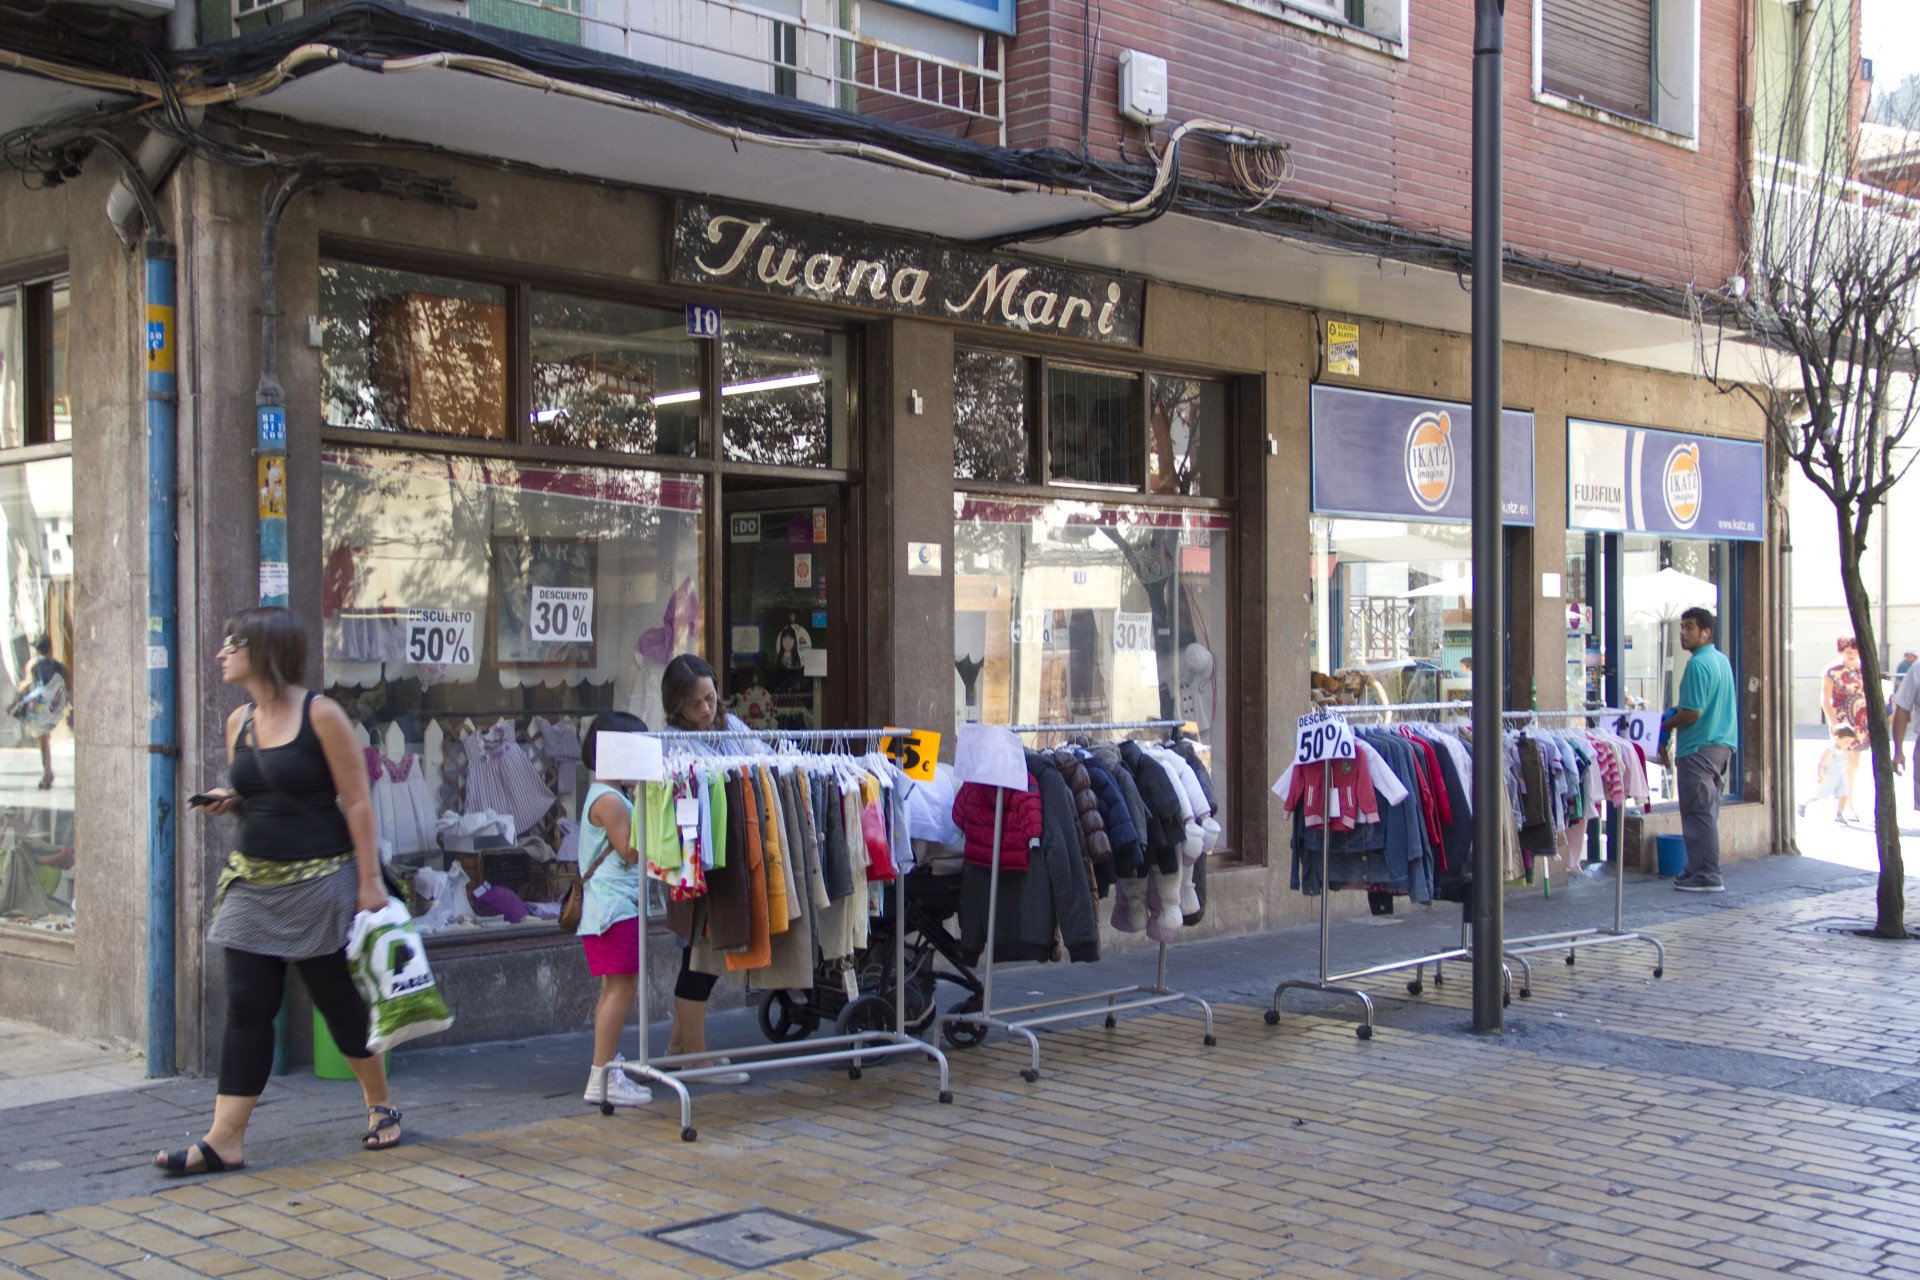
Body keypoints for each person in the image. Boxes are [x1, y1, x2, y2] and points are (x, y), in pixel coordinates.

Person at [157, 607, 399, 1175]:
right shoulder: (239, 720)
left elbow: (357, 800)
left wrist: (369, 883)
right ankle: (224, 1139)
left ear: (264, 651)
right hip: (251, 883)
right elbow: (262, 791)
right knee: (246, 1007)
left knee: (339, 1005)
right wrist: (231, 800)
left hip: (321, 885)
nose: (221, 653)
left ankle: (379, 1102)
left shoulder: (322, 715)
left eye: (232, 643)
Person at [659, 653, 751, 1081]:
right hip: (693, 857)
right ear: (676, 706)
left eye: (711, 698)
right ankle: (696, 1060)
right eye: (696, 704)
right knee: (697, 960)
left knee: (703, 957)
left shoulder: (730, 727)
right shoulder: (671, 743)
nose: (706, 710)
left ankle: (680, 1048)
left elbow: (766, 757)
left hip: (725, 853)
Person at [575, 710, 654, 1107]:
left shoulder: (602, 793)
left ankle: (605, 1068)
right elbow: (630, 850)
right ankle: (600, 1076)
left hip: (606, 910)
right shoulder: (611, 800)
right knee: (621, 991)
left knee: (612, 991)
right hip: (614, 909)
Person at [1657, 607, 1737, 892]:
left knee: (1698, 813)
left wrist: (1666, 725)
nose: (1682, 633)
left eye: (1689, 627)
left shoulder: (1698, 665)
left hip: (1698, 749)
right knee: (1706, 812)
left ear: (1705, 632)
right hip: (1721, 747)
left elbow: (1693, 712)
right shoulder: (1721, 661)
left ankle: (1708, 875)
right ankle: (1696, 867)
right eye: (1681, 627)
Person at [1819, 637, 1869, 823]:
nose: (1852, 654)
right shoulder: (1831, 671)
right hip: (1843, 722)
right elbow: (1825, 699)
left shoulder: (1863, 668)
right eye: (1848, 651)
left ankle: (1848, 803)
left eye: (1855, 651)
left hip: (1860, 722)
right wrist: (1834, 724)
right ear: (1841, 650)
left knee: (1854, 766)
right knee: (1845, 765)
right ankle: (1847, 806)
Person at [14, 634, 70, 789]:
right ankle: (48, 772)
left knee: (43, 740)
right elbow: (68, 685)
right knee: (45, 738)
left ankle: (47, 773)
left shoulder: (34, 663)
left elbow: (27, 683)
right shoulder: (59, 665)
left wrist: (17, 699)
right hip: (55, 707)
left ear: (37, 650)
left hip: (40, 707)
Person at [1798, 726, 1857, 823]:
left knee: (1844, 793)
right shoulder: (1830, 750)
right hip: (1828, 776)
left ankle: (1839, 813)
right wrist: (1820, 775)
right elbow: (1821, 762)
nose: (1848, 744)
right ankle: (1803, 804)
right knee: (1819, 795)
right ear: (1837, 738)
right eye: (1846, 741)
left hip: (1840, 776)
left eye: (1849, 742)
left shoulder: (1844, 750)